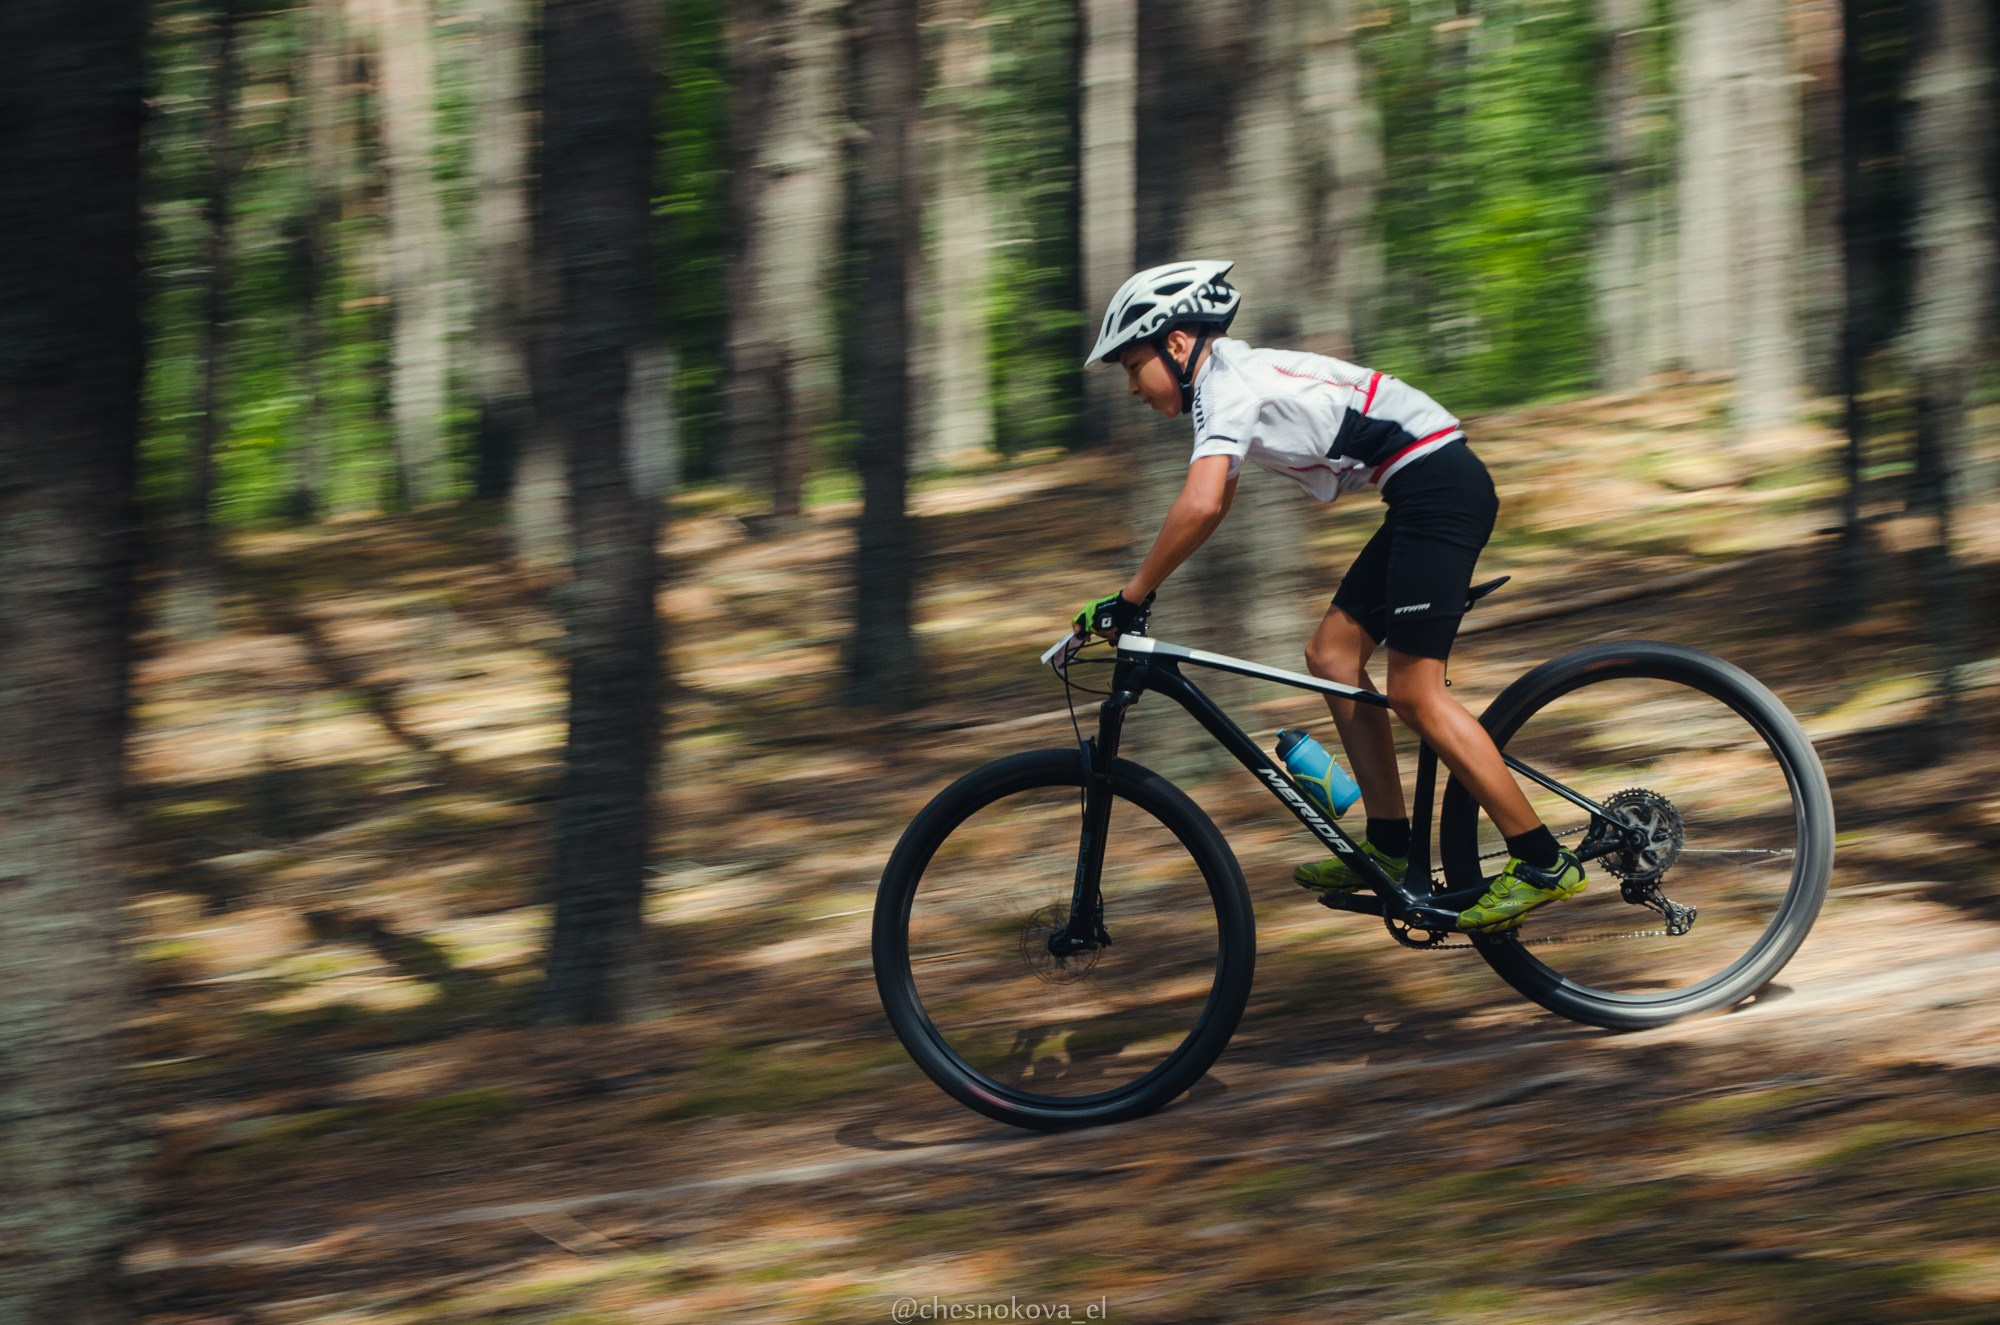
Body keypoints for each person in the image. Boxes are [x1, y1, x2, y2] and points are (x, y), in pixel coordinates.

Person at [1069, 259, 1583, 933]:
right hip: (1423, 488)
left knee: (1415, 693)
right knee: (1333, 656)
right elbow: (1214, 501)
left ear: (1177, 342)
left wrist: (1131, 595)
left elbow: (1201, 502)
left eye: (1135, 367)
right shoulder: (1224, 385)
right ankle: (1391, 844)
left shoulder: (1226, 384)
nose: (1133, 388)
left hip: (1439, 488)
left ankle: (1542, 861)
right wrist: (1139, 592)